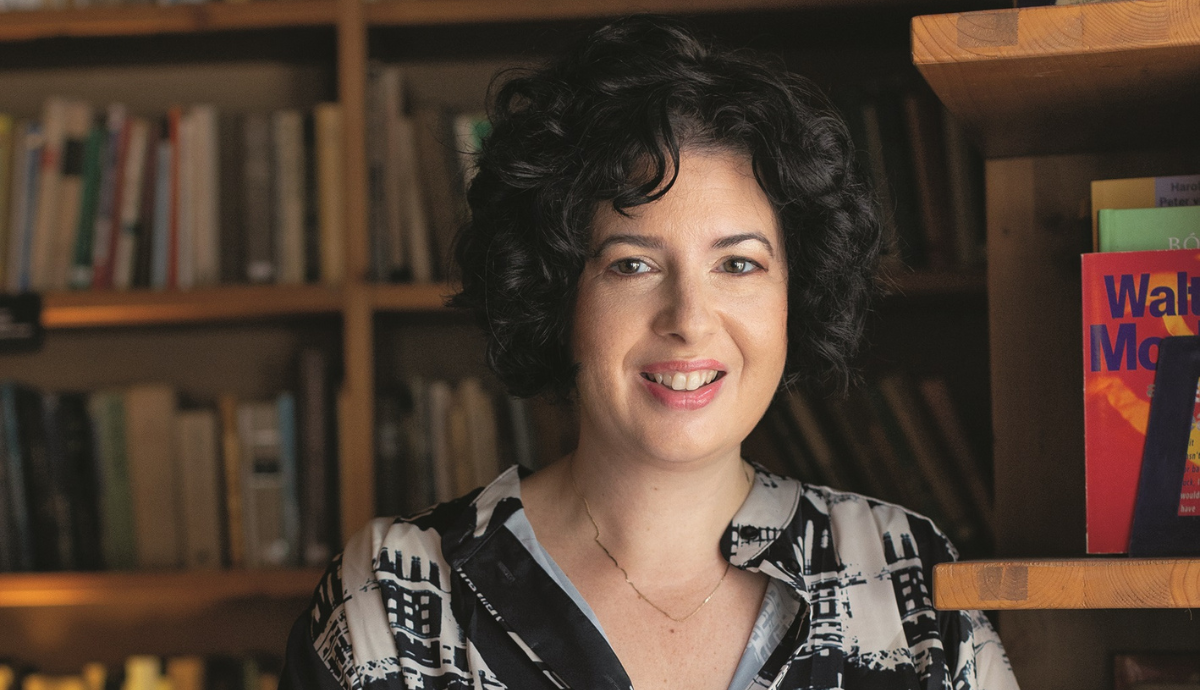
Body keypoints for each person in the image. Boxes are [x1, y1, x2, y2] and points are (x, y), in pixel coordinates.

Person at [281, 15, 1019, 690]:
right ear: (557, 292)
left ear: (796, 295)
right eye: (632, 264)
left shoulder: (908, 582)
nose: (689, 320)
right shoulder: (399, 595)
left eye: (739, 264)